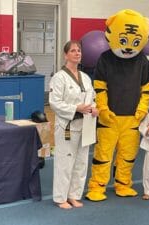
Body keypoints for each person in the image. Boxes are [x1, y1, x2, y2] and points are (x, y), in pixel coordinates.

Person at [85, 9, 149, 201]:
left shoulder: (142, 60)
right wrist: (104, 109)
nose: (129, 47)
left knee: (128, 155)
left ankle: (123, 183)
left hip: (131, 118)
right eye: (123, 41)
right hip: (109, 118)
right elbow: (99, 88)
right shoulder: (105, 58)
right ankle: (97, 186)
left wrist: (142, 109)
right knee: (103, 155)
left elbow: (146, 87)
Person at [49, 40, 99, 209]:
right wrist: (75, 108)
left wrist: (94, 109)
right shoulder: (59, 78)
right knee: (65, 161)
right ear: (66, 55)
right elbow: (55, 103)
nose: (77, 53)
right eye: (73, 51)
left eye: (79, 51)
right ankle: (60, 197)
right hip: (67, 126)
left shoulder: (85, 77)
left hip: (85, 125)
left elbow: (92, 99)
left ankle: (74, 195)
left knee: (81, 161)